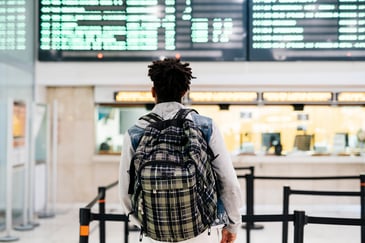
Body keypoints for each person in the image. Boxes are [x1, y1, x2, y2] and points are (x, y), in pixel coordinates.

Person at [119, 57, 243, 243]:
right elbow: (228, 183)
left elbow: (125, 192)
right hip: (202, 231)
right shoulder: (205, 126)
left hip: (154, 233)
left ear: (153, 91)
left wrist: (146, 225)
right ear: (185, 92)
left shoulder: (135, 133)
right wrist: (232, 225)